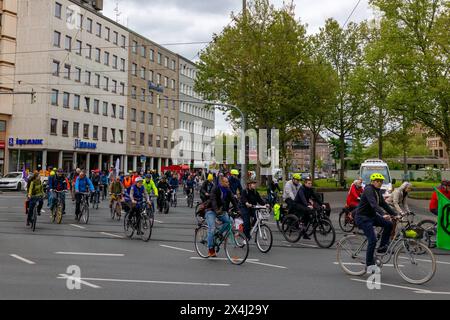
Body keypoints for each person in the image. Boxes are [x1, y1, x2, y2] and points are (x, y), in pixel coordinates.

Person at [354, 173, 398, 274]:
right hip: (363, 218)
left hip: (372, 216)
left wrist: (396, 214)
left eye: (381, 181)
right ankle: (369, 265)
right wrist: (383, 214)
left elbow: (384, 204)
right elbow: (373, 204)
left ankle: (382, 247)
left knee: (389, 224)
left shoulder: (377, 191)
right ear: (372, 181)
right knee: (372, 240)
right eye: (377, 181)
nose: (379, 183)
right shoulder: (369, 189)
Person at [205, 177, 240, 257]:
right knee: (212, 228)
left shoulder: (227, 190)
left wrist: (238, 210)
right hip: (211, 210)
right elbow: (213, 200)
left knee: (230, 221)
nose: (228, 183)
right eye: (226, 182)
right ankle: (210, 249)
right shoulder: (215, 189)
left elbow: (233, 200)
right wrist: (216, 210)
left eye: (228, 182)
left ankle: (218, 234)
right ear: (221, 182)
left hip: (221, 211)